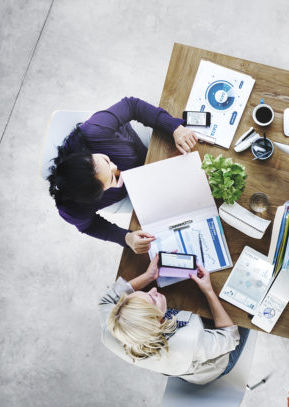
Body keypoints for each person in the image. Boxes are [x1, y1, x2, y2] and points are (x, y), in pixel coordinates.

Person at [47, 97, 200, 253]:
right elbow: (89, 225)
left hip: (144, 149)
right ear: (96, 195)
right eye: (113, 178)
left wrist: (175, 128)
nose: (115, 166)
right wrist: (126, 238)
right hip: (136, 191)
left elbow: (132, 105)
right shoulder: (72, 209)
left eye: (106, 161)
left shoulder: (95, 130)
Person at [98, 255, 249, 385]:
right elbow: (230, 337)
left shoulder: (111, 328)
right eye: (152, 298)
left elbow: (106, 300)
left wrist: (148, 276)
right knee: (245, 312)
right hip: (213, 362)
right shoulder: (189, 340)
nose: (154, 289)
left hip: (177, 363)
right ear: (158, 322)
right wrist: (208, 290)